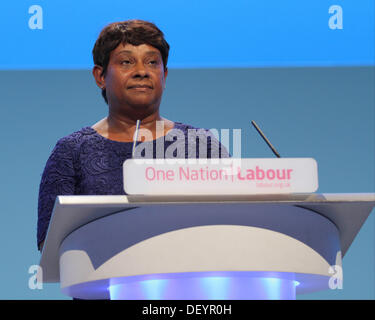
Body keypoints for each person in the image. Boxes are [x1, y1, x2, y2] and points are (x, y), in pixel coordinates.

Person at [37, 19, 229, 252]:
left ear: (164, 76)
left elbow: (230, 227)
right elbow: (51, 243)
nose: (141, 72)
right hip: (103, 285)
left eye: (152, 62)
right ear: (100, 76)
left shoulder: (202, 146)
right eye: (126, 62)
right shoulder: (71, 151)